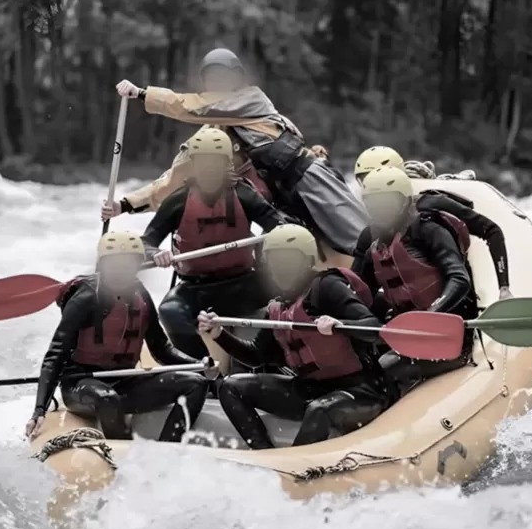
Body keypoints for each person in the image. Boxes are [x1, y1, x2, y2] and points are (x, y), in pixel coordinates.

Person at [109, 48, 368, 257]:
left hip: (308, 179)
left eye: (224, 76)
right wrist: (126, 204)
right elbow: (177, 177)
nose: (218, 82)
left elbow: (190, 106)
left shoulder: (252, 99)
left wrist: (144, 94)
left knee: (361, 238)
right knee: (293, 257)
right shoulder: (211, 136)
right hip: (279, 204)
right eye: (212, 77)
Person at [197, 224, 389, 450]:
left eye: (289, 262)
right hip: (308, 389)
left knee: (320, 409)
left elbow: (375, 329)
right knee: (231, 386)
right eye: (275, 262)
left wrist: (341, 325)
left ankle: (294, 471)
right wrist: (220, 335)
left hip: (360, 391)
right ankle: (265, 455)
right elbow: (255, 356)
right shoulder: (278, 307)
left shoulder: (327, 287)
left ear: (307, 262)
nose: (281, 269)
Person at [25, 231, 208, 443]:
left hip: (126, 380)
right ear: (103, 265)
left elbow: (161, 349)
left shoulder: (141, 295)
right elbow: (55, 355)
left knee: (197, 384)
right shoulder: (85, 298)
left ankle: (168, 449)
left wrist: (199, 365)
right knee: (107, 399)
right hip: (81, 383)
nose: (122, 270)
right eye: (116, 264)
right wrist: (39, 410)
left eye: (129, 263)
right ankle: (123, 455)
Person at [140, 126, 286, 358]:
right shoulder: (178, 201)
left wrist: (278, 240)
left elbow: (279, 227)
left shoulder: (244, 194)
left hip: (243, 284)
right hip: (195, 288)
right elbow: (145, 243)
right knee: (169, 311)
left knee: (287, 297)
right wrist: (155, 254)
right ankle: (204, 370)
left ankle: (276, 363)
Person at [355, 166, 478, 394]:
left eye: (385, 203)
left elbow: (459, 279)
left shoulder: (429, 230)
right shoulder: (375, 243)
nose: (378, 211)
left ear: (403, 202)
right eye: (372, 204)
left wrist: (432, 313)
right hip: (407, 335)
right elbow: (360, 295)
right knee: (362, 362)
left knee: (384, 368)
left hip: (450, 336)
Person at [352, 146, 511, 294]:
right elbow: (355, 284)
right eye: (366, 181)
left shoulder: (432, 208)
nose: (373, 185)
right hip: (405, 307)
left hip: (451, 300)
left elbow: (491, 230)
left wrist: (504, 289)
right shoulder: (370, 234)